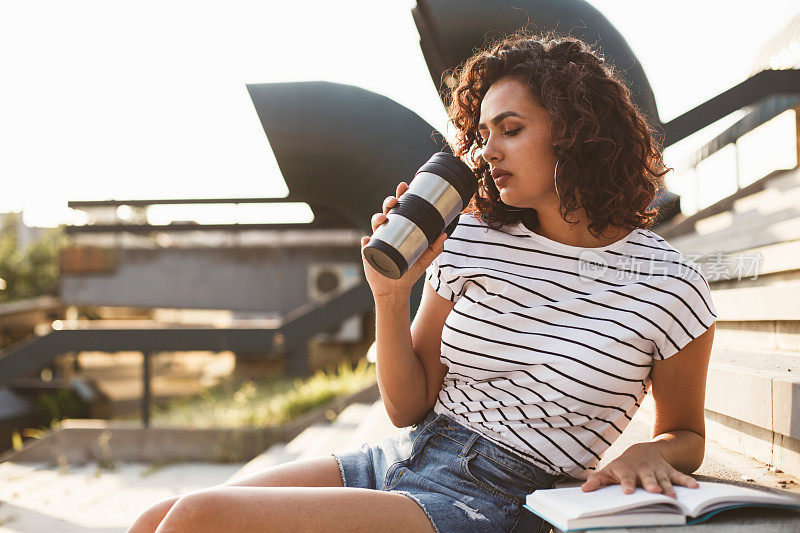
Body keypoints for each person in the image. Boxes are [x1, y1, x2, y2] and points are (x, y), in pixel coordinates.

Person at [128, 29, 716, 533]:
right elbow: (408, 408)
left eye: (510, 130)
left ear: (576, 131)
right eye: (483, 134)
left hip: (501, 501)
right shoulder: (475, 236)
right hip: (406, 454)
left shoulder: (669, 283)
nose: (488, 154)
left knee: (199, 517)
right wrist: (390, 293)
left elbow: (685, 432)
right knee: (157, 516)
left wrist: (648, 449)